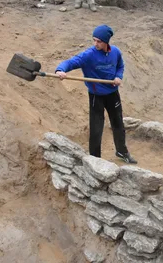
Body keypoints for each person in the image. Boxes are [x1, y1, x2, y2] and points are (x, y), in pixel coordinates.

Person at [55, 24, 137, 164]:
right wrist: (60, 70)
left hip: (112, 94)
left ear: (106, 41)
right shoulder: (89, 55)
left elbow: (120, 66)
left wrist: (118, 77)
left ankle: (121, 151)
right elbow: (72, 61)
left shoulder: (115, 52)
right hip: (96, 96)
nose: (96, 44)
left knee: (118, 124)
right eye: (94, 40)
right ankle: (95, 159)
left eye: (99, 41)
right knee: (96, 128)